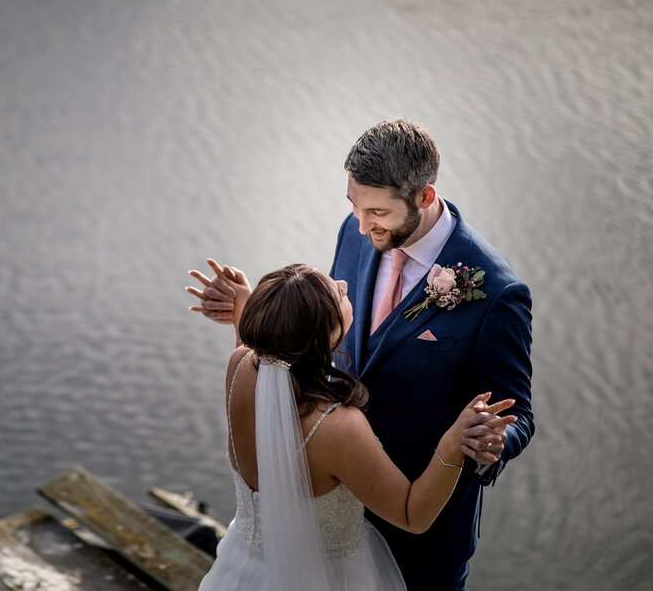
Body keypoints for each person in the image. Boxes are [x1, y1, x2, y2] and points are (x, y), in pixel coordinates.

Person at [188, 119, 534, 590]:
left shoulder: (496, 292)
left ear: (424, 198)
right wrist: (259, 321)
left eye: (377, 212)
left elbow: (518, 413)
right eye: (353, 205)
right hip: (319, 501)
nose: (361, 223)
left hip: (423, 528)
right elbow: (321, 333)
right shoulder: (354, 234)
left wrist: (488, 445)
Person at [197, 263, 517, 591]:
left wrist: (251, 309)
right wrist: (452, 443)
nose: (344, 282)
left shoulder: (239, 366)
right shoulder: (338, 427)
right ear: (325, 335)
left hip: (245, 568)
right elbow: (412, 515)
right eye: (338, 294)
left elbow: (264, 378)